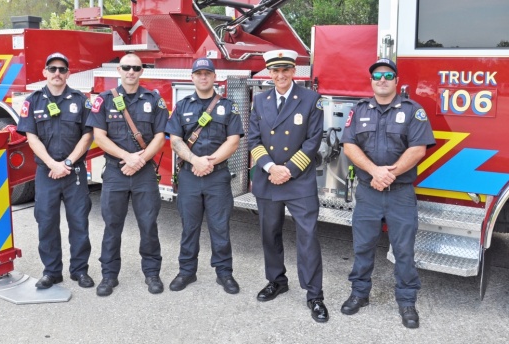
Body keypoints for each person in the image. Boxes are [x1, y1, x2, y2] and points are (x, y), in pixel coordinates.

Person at [340, 58, 436, 329]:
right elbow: (349, 145)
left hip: (401, 193)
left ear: (396, 81)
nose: (382, 79)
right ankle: (360, 294)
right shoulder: (358, 110)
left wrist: (388, 174)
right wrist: (374, 172)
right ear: (371, 81)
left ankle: (407, 301)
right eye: (377, 75)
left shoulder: (413, 110)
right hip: (368, 193)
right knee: (363, 246)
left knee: (404, 249)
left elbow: (418, 149)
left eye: (387, 75)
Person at [248, 50, 328, 322]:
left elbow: (312, 141)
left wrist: (288, 170)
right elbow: (253, 140)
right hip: (268, 179)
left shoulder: (311, 99)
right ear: (268, 73)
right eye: (274, 71)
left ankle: (314, 294)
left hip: (299, 180)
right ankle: (277, 281)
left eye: (285, 70)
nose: (280, 76)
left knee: (308, 238)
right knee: (269, 234)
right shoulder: (259, 100)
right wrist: (271, 168)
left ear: (295, 71)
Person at [86, 53, 168, 296]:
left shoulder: (153, 100)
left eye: (136, 68)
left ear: (142, 71)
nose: (131, 71)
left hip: (143, 173)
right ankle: (109, 276)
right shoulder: (104, 100)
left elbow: (160, 137)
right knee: (112, 225)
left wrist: (139, 160)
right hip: (115, 172)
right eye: (126, 67)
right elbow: (99, 137)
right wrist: (127, 157)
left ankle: (152, 274)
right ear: (119, 71)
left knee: (148, 225)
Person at [165, 57, 244, 294]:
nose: (203, 77)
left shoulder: (228, 106)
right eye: (198, 73)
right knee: (189, 227)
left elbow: (234, 141)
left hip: (217, 176)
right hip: (189, 176)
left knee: (220, 227)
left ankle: (224, 274)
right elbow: (175, 140)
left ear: (214, 77)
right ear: (192, 77)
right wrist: (194, 161)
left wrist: (210, 162)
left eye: (207, 73)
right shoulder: (182, 106)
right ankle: (186, 272)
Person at [17, 52, 94, 289]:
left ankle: (79, 271)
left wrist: (68, 163)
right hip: (46, 173)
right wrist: (52, 164)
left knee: (79, 222)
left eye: (62, 69)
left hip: (75, 172)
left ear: (68, 73)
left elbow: (88, 135)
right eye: (53, 69)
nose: (57, 73)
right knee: (47, 222)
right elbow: (31, 137)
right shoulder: (33, 101)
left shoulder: (81, 100)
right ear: (45, 73)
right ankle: (52, 272)